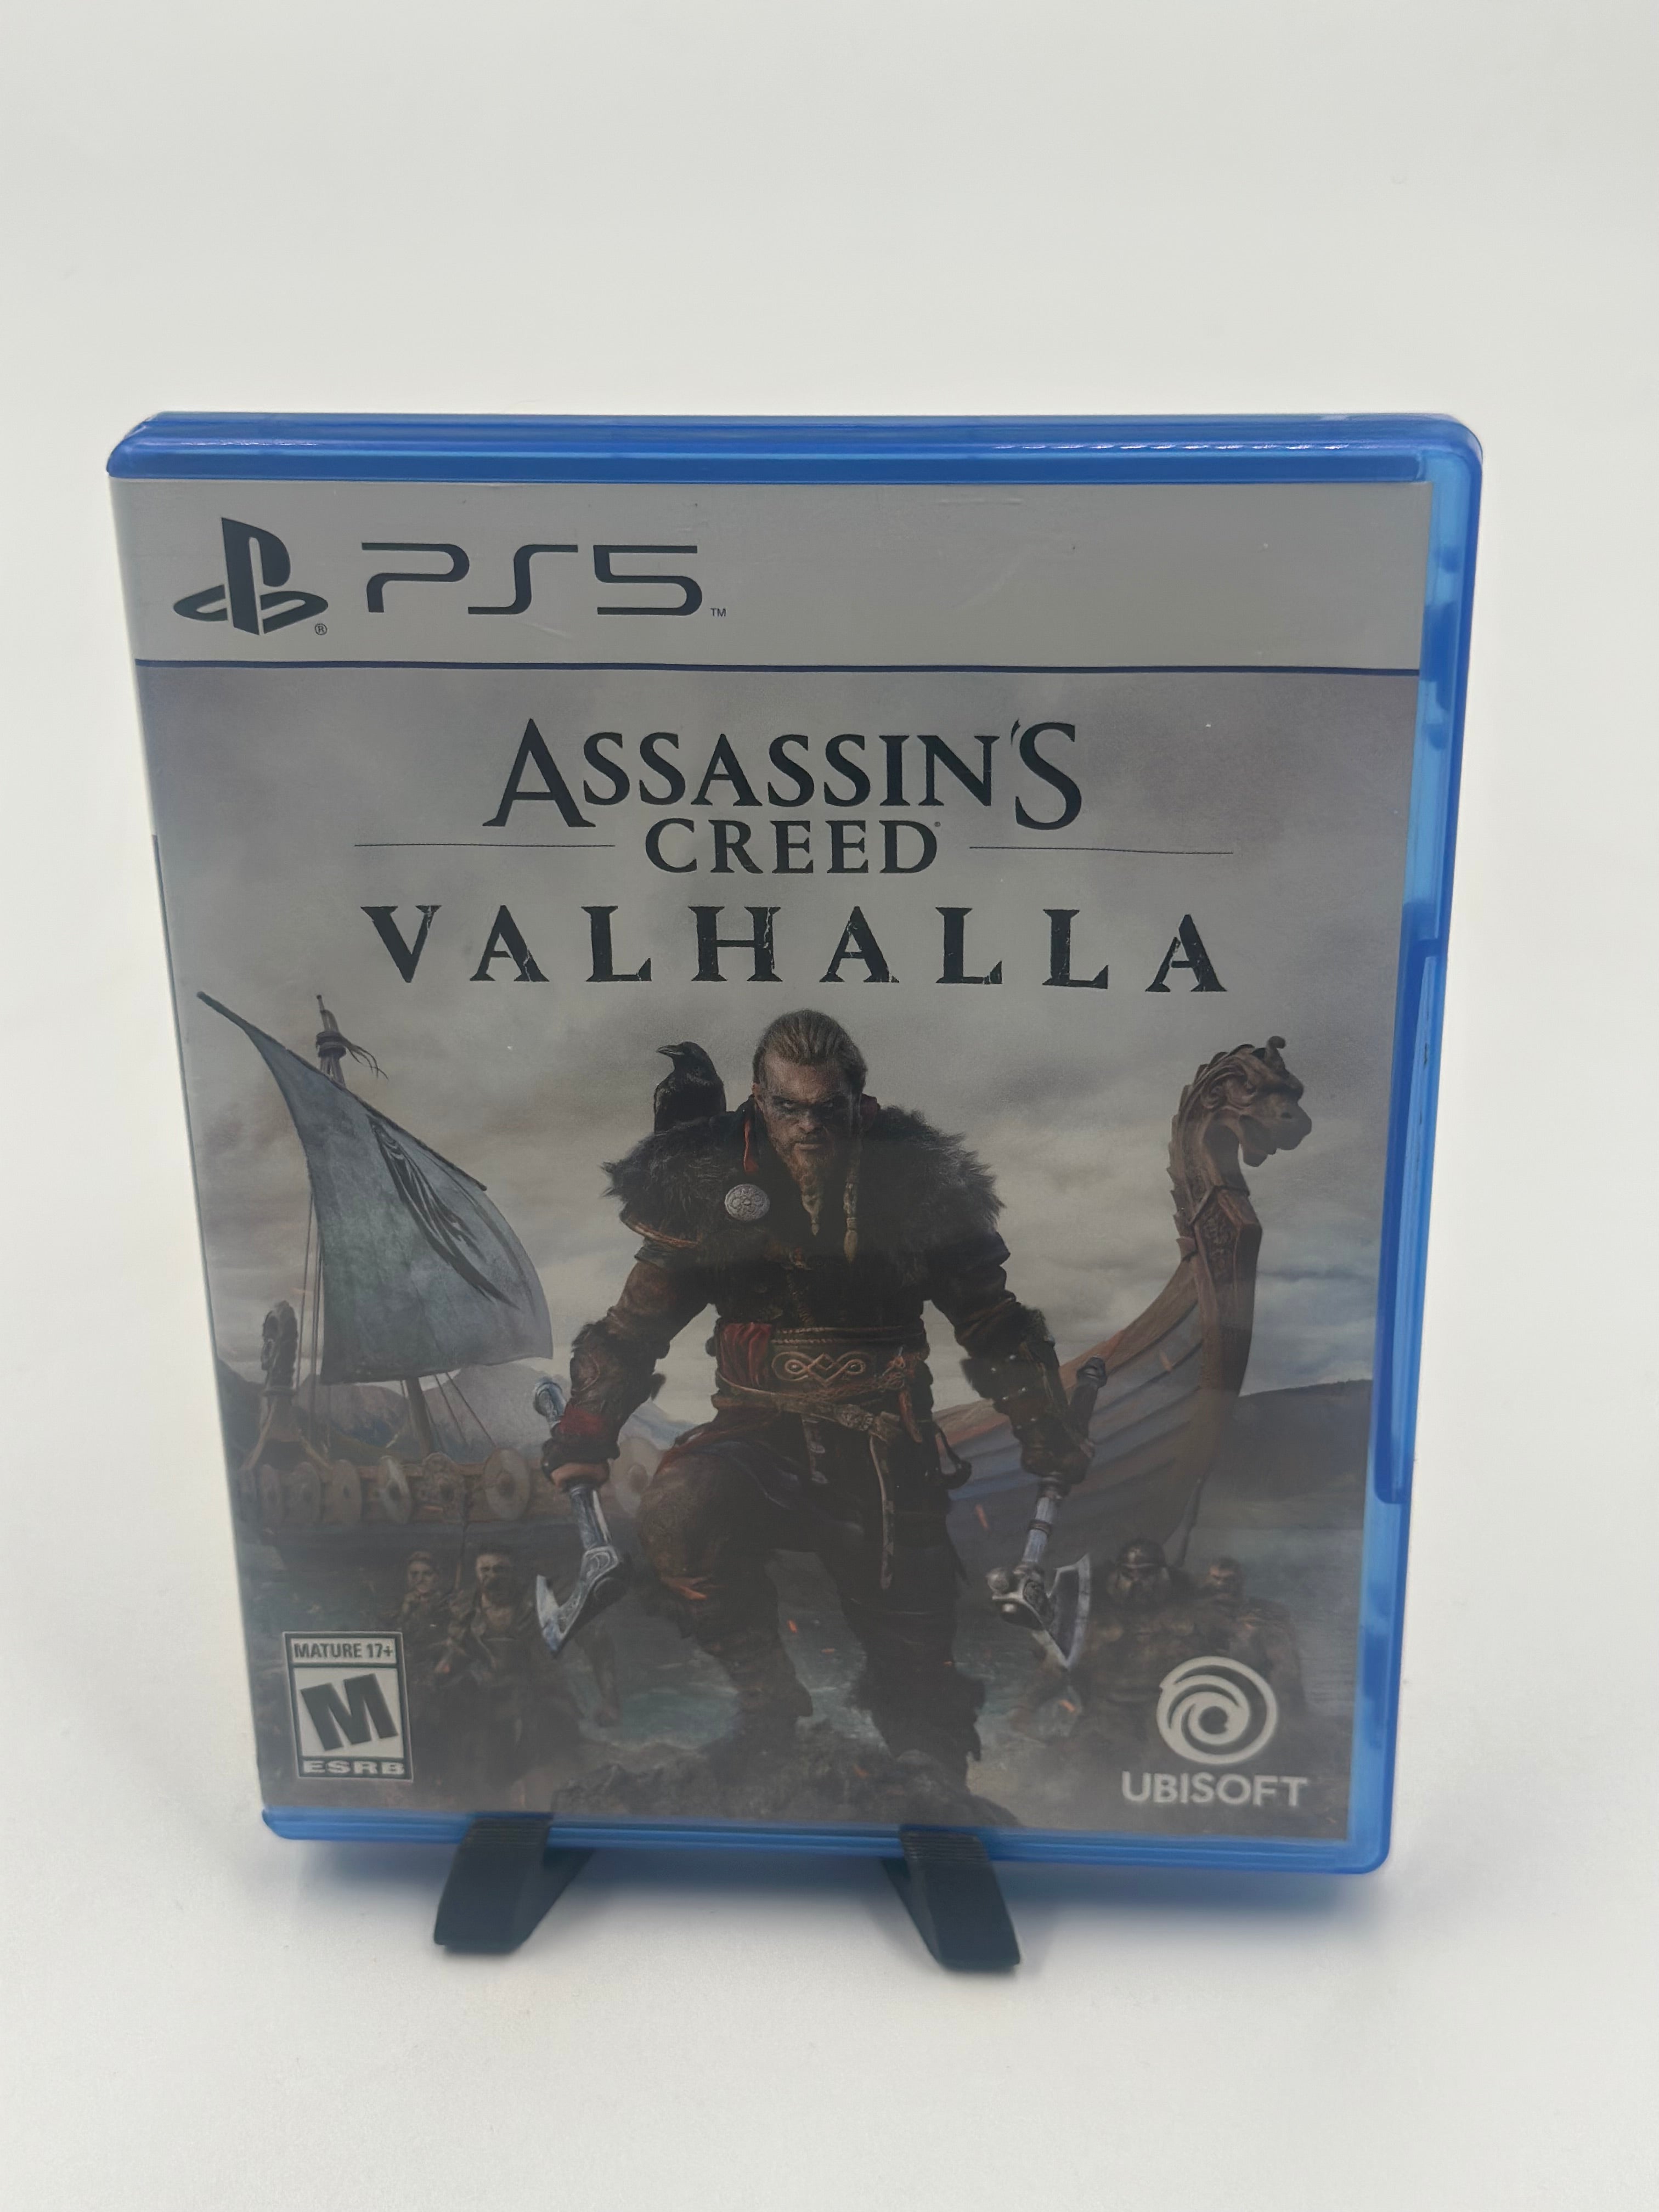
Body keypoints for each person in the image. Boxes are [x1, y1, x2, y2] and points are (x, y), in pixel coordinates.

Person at [541, 1008, 1087, 1780]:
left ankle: (930, 1776)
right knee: (680, 1511)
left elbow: (991, 1319)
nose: (808, 1126)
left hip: (886, 1439)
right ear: (757, 1099)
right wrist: (584, 1430)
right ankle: (768, 1709)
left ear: (857, 1102)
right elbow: (636, 1326)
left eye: (827, 1108)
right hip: (756, 1429)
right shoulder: (709, 1178)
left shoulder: (917, 1180)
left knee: (911, 1642)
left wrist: (1043, 1424)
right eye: (788, 1107)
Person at [436, 1548, 582, 1787]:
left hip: (535, 1691)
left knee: (544, 1753)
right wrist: (444, 1669)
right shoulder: (467, 1609)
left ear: (513, 1573)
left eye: (500, 1569)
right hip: (488, 1694)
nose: (493, 1576)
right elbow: (457, 1651)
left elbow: (551, 1659)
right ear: (477, 1574)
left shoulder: (537, 1605)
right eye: (485, 1570)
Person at [1195, 1555, 1307, 1716]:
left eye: (1229, 1580)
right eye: (1216, 1579)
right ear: (1208, 1580)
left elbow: (1288, 1665)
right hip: (1213, 1691)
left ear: (1240, 1581)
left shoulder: (1268, 1612)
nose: (1221, 1585)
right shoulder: (1199, 1613)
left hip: (1259, 1690)